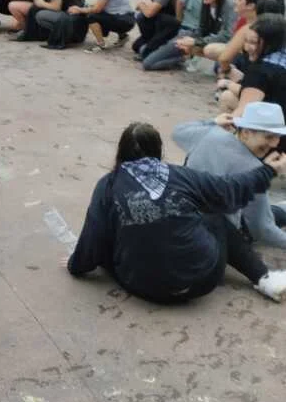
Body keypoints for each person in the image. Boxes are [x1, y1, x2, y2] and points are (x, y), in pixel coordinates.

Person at [66, 122, 286, 303]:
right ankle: (264, 278)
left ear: (120, 152)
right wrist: (268, 170)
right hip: (200, 282)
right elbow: (232, 187)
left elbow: (94, 233)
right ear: (159, 151)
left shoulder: (107, 185)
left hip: (140, 286)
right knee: (215, 217)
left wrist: (76, 265)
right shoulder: (183, 176)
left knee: (107, 235)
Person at [175, 105, 286, 266]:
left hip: (183, 221)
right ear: (246, 132)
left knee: (268, 211)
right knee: (268, 214)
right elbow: (261, 229)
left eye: (277, 137)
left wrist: (213, 122)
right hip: (218, 236)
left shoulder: (208, 134)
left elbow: (178, 131)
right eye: (269, 137)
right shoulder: (253, 168)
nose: (275, 144)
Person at [151, 0, 236, 72]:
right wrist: (188, 40)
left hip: (233, 45)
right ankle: (186, 59)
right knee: (183, 43)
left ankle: (222, 66)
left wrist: (196, 42)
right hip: (213, 39)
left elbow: (227, 35)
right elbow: (202, 28)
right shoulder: (207, 2)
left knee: (208, 51)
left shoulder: (229, 4)